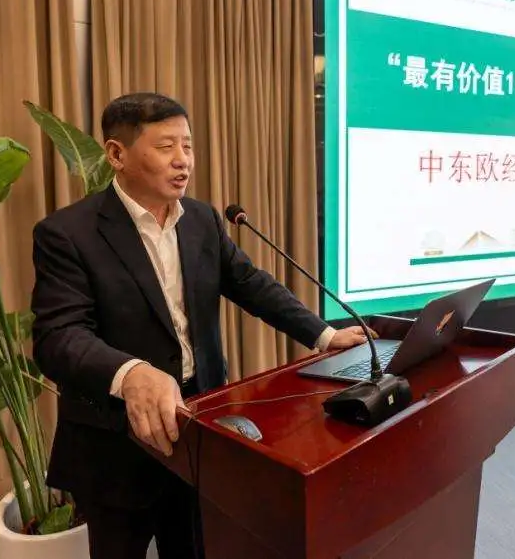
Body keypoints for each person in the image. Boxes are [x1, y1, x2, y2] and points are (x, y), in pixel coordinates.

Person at [30, 92, 368, 559]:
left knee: (195, 547)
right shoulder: (69, 233)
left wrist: (324, 335)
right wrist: (130, 373)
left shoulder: (202, 220)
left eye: (187, 146)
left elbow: (251, 285)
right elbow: (58, 337)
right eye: (165, 146)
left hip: (201, 423)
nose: (182, 160)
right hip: (117, 441)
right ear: (116, 154)